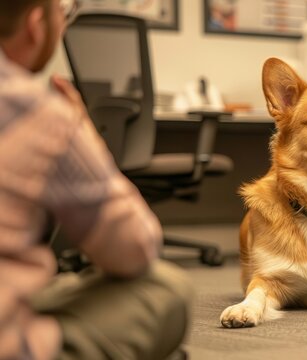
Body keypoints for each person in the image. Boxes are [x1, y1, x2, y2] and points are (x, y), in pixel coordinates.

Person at [0, 0, 194, 358]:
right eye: (65, 15)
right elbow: (136, 251)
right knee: (167, 288)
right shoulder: (43, 115)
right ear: (36, 23)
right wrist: (87, 138)